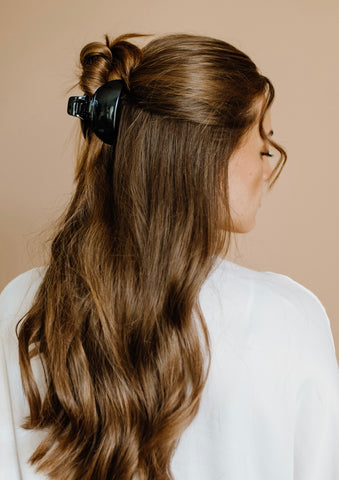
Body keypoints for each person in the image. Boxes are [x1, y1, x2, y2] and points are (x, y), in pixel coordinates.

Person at [1, 32, 339, 480]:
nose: (265, 167)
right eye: (262, 145)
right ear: (208, 156)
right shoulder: (289, 318)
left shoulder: (23, 305)